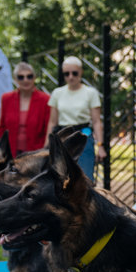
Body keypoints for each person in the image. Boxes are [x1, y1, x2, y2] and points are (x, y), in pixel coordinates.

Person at [46, 56, 105, 184]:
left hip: (84, 136)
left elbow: (96, 121)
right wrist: (47, 143)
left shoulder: (90, 93)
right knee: (60, 178)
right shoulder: (57, 93)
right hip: (62, 137)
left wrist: (100, 145)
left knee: (85, 177)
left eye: (74, 73)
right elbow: (52, 122)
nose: (71, 77)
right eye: (67, 74)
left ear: (81, 72)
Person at [0, 62, 51, 154]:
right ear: (15, 80)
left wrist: (44, 151)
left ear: (34, 78)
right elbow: (2, 128)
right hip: (10, 153)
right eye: (21, 77)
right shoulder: (6, 99)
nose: (25, 80)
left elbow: (48, 130)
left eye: (29, 76)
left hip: (35, 154)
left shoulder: (45, 100)